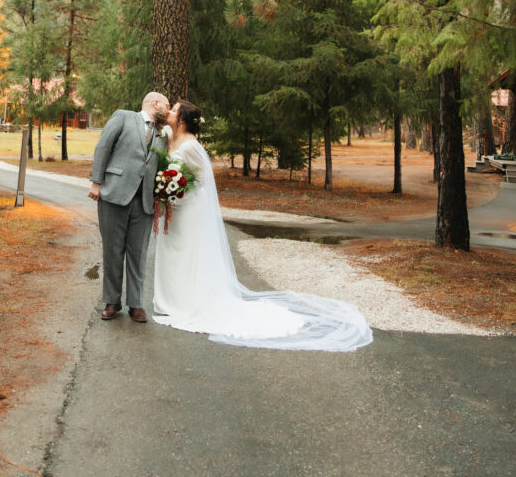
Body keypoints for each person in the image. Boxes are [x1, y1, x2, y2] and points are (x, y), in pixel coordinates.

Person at [153, 101, 373, 351]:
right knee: (172, 253)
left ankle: (187, 304)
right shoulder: (168, 135)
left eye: (173, 110)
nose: (169, 112)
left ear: (181, 119)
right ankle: (170, 301)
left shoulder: (191, 146)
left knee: (188, 255)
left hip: (188, 208)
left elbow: (201, 179)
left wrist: (175, 191)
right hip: (173, 207)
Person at [89, 91, 170, 323]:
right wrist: (96, 183)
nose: (169, 108)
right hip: (114, 194)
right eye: (167, 104)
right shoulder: (124, 117)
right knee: (113, 251)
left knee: (138, 253)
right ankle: (112, 301)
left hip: (144, 201)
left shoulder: (163, 133)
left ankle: (136, 304)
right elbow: (103, 147)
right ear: (155, 103)